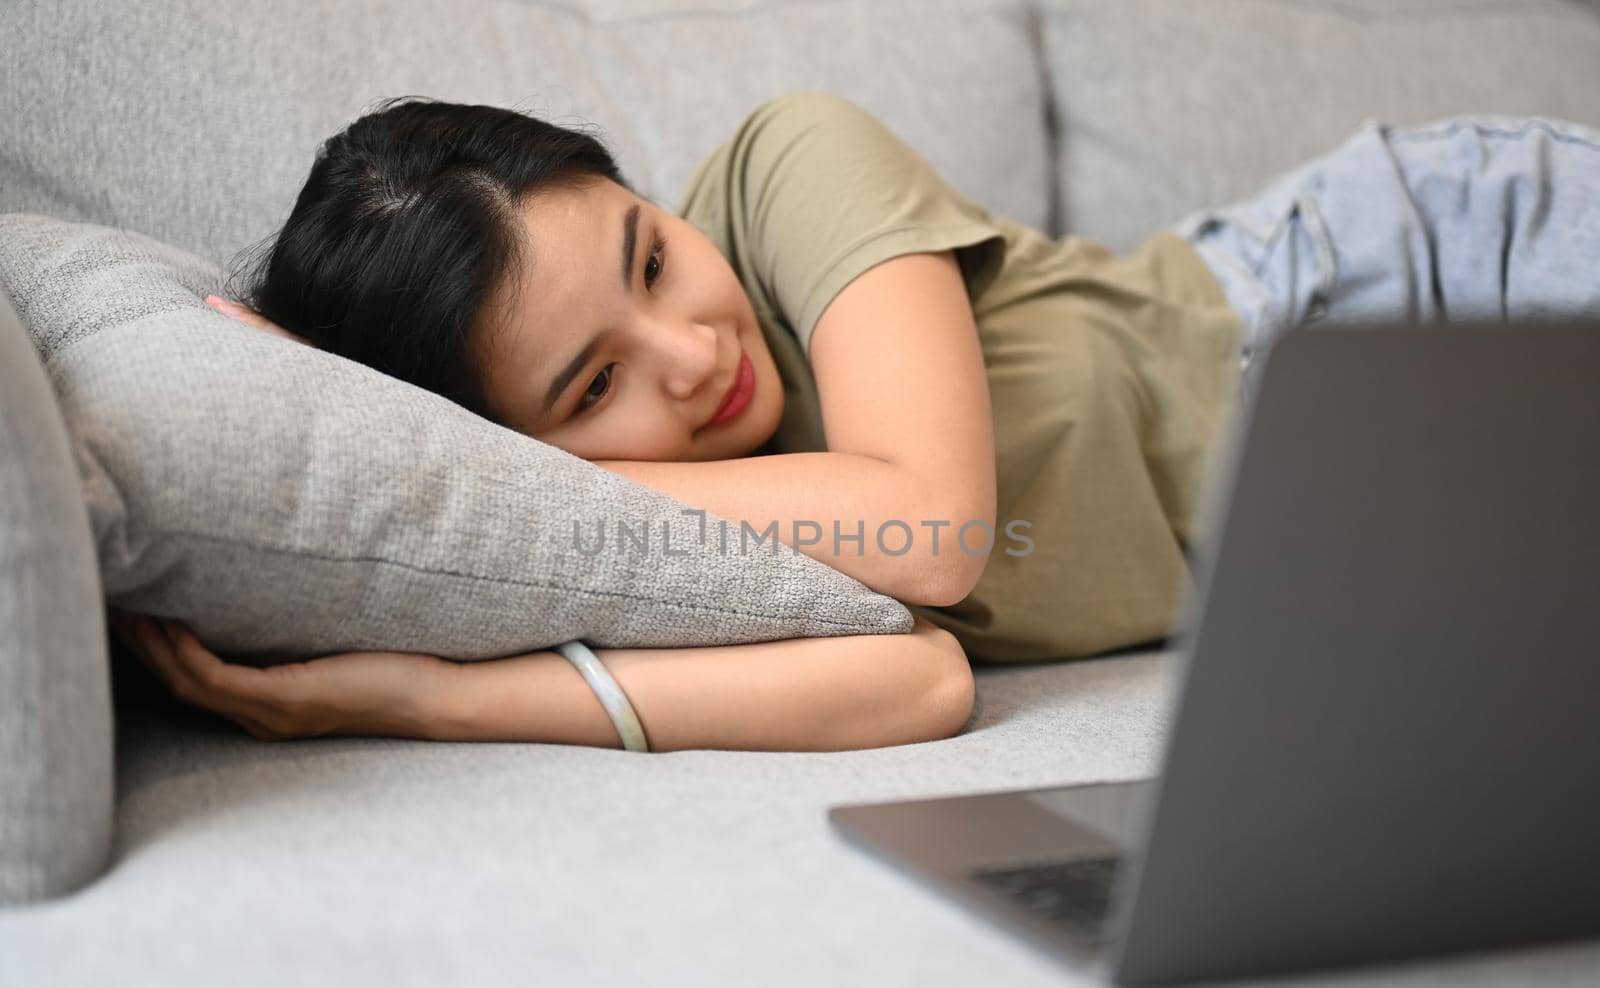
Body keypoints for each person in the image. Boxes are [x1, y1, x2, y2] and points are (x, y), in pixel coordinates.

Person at [111, 92, 1600, 752]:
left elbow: (939, 533)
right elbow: (920, 690)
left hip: (1405, 275)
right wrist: (426, 698)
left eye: (647, 252)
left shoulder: (785, 168)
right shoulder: (687, 531)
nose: (692, 355)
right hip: (1400, 537)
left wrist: (524, 470)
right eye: (593, 386)